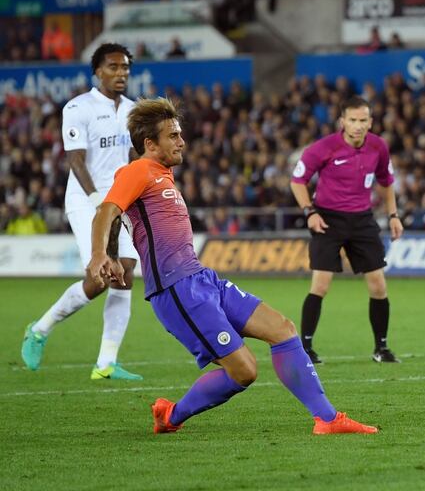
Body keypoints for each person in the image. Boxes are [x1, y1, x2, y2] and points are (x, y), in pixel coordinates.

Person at [87, 98, 376, 435]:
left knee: (283, 330)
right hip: (177, 290)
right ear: (150, 144)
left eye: (180, 134)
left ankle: (327, 419)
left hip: (202, 279)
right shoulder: (138, 170)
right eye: (173, 136)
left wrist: (111, 252)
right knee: (244, 371)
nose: (182, 141)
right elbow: (106, 211)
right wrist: (99, 256)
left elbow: (121, 216)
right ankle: (172, 415)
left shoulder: (162, 176)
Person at [21, 43, 143, 380]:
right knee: (100, 277)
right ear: (97, 71)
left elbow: (134, 158)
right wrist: (94, 200)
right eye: (114, 67)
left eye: (126, 68)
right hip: (86, 201)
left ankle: (106, 363)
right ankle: (40, 329)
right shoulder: (78, 107)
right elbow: (75, 158)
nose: (121, 74)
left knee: (126, 270)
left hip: (120, 201)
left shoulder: (133, 110)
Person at [290, 97, 403, 364]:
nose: (358, 126)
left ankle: (381, 348)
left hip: (362, 220)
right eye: (352, 120)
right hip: (327, 219)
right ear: (342, 122)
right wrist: (310, 212)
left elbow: (387, 183)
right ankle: (305, 349)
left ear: (370, 122)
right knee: (321, 285)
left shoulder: (378, 146)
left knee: (378, 285)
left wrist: (393, 215)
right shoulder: (323, 147)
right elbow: (298, 181)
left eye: (363, 120)